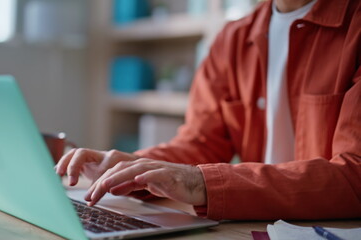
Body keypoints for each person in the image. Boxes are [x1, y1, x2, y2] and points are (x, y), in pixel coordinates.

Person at [55, 0, 361, 220]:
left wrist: (200, 182)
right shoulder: (232, 39)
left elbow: (355, 175)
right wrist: (133, 168)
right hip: (257, 224)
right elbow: (201, 142)